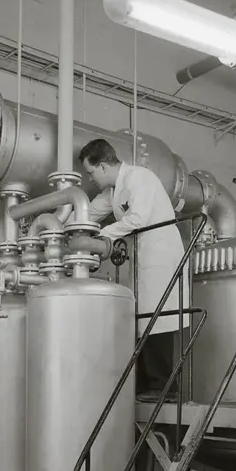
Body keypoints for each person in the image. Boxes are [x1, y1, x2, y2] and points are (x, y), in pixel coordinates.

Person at [79, 138, 187, 400]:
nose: (91, 179)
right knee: (144, 317)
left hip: (161, 252)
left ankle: (164, 387)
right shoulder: (113, 191)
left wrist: (102, 236)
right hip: (145, 255)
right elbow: (87, 213)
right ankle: (147, 385)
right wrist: (61, 227)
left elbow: (138, 218)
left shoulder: (139, 177)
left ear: (103, 166)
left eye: (91, 172)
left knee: (158, 316)